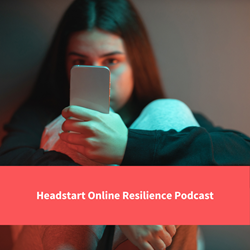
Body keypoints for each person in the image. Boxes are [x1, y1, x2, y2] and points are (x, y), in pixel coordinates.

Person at [0, 0, 250, 249]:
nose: (100, 77)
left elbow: (242, 158)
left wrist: (128, 145)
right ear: (64, 65)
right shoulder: (41, 116)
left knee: (169, 112)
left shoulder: (162, 120)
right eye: (80, 62)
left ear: (135, 63)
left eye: (111, 61)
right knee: (64, 127)